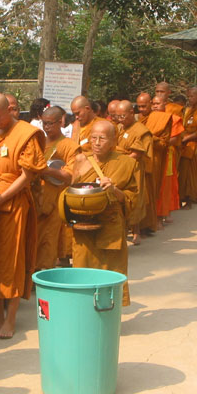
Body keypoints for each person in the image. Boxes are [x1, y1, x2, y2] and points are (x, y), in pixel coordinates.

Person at [0, 93, 46, 338]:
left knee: (12, 262)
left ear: (11, 111)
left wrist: (0, 200)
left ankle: (10, 320)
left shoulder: (26, 134)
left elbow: (28, 176)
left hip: (12, 204)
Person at [70, 119, 138, 305]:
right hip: (83, 226)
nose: (97, 143)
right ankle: (83, 312)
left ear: (113, 141)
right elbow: (71, 190)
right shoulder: (81, 160)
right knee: (82, 271)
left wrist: (114, 190)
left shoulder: (126, 163)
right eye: (93, 138)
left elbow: (133, 198)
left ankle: (110, 312)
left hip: (110, 225)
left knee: (111, 272)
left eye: (102, 138)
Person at [35, 106, 78, 270]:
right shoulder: (38, 142)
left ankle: (42, 273)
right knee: (35, 239)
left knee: (48, 239)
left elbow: (69, 176)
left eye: (50, 123)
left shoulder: (69, 146)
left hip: (54, 200)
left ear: (60, 122)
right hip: (36, 197)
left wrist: (45, 170)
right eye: (44, 123)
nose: (46, 127)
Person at [113, 100, 152, 243]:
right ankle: (122, 230)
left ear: (131, 113)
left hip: (134, 168)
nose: (120, 120)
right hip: (120, 166)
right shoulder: (119, 128)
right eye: (118, 117)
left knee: (134, 198)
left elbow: (138, 153)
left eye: (123, 116)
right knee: (120, 197)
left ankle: (136, 232)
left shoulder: (141, 130)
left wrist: (125, 162)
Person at [136, 93, 172, 227]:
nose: (141, 110)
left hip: (154, 158)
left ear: (151, 103)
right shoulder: (136, 119)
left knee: (152, 190)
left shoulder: (161, 119)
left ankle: (153, 221)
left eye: (144, 106)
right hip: (137, 158)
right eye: (138, 106)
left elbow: (164, 143)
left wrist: (149, 138)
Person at [151, 95, 182, 222]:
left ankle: (162, 214)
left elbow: (175, 139)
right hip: (152, 154)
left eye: (158, 103)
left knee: (165, 185)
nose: (155, 106)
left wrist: (158, 141)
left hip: (166, 154)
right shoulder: (149, 118)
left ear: (166, 104)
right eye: (153, 103)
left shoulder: (173, 119)